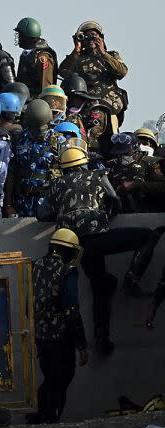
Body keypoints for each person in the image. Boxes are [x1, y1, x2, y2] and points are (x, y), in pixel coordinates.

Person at [43, 145, 163, 354]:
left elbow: (41, 213)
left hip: (73, 247)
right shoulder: (98, 175)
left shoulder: (55, 184)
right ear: (84, 163)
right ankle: (131, 280)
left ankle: (102, 339)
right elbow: (115, 201)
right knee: (148, 235)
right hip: (98, 239)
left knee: (100, 285)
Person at [27, 228, 87, 424]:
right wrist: (81, 344)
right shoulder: (66, 271)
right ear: (69, 250)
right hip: (60, 338)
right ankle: (48, 420)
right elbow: (71, 311)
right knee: (61, 378)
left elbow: (29, 304)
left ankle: (38, 416)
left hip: (40, 337)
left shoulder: (35, 266)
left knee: (51, 378)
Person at [59, 21, 128, 123]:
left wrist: (103, 53)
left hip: (107, 102)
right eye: (86, 36)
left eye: (94, 37)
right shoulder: (77, 57)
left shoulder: (111, 55)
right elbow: (63, 72)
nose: (91, 40)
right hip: (82, 101)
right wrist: (76, 50)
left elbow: (122, 72)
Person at [7, 99, 65, 217]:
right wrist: (8, 205)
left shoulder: (59, 142)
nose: (39, 132)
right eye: (36, 129)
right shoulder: (19, 140)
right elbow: (10, 173)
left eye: (42, 129)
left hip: (49, 204)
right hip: (23, 204)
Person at [105, 132, 165, 213]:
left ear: (136, 148)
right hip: (118, 216)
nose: (122, 156)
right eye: (118, 154)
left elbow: (162, 186)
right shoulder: (112, 166)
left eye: (125, 153)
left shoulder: (152, 163)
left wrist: (135, 185)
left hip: (149, 216)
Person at [14, 17, 57, 98]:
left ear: (27, 37)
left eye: (20, 35)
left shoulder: (43, 57)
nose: (18, 38)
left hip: (36, 104)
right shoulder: (26, 55)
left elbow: (45, 87)